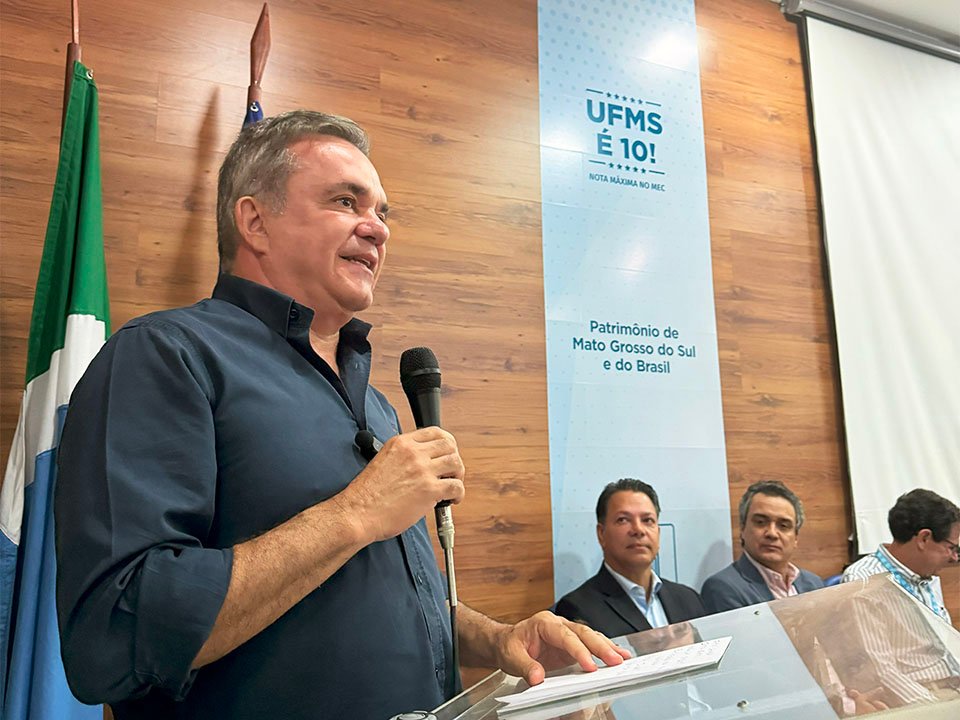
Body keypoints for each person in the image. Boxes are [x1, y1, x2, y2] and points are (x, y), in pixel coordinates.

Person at [54, 110, 629, 720]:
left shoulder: (375, 404)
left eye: (382, 212)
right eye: (345, 201)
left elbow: (372, 602)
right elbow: (115, 633)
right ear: (254, 221)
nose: (377, 229)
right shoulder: (165, 356)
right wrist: (355, 513)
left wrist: (498, 639)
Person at [555, 479, 706, 637]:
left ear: (658, 532)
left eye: (647, 520)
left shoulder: (688, 599)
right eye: (623, 520)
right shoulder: (577, 609)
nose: (638, 530)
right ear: (601, 534)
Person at [701, 480, 823, 613]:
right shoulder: (722, 587)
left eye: (783, 526)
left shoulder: (814, 583)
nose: (772, 533)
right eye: (760, 522)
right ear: (742, 529)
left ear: (796, 537)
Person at [841, 488, 959, 621]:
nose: (954, 557)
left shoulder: (928, 578)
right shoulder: (862, 581)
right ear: (924, 539)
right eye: (951, 548)